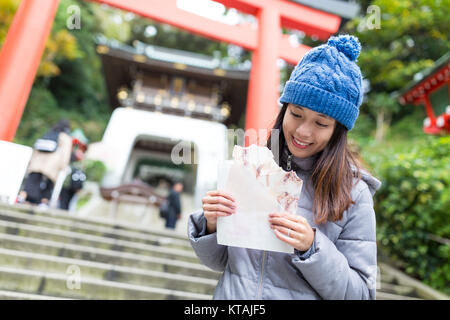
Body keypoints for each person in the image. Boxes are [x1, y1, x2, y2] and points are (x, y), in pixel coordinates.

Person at [187, 35, 382, 300]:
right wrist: (211, 224)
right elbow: (220, 262)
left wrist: (312, 247)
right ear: (284, 110)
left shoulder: (354, 194)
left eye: (321, 124)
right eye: (296, 114)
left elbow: (362, 294)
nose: (303, 131)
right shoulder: (253, 166)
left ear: (338, 130)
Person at [23, 120, 73, 205]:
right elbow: (66, 153)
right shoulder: (65, 138)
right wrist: (63, 165)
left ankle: (27, 201)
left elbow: (36, 148)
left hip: (37, 162)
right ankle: (41, 203)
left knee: (32, 183)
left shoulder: (49, 133)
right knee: (48, 186)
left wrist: (31, 162)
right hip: (52, 165)